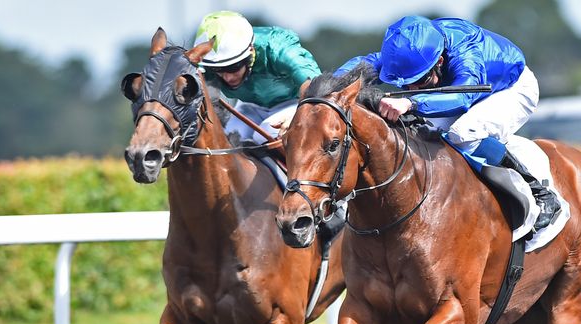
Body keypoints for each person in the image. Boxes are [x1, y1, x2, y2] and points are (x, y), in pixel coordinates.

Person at [335, 16, 561, 229]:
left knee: (463, 132)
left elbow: (462, 99)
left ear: (440, 61)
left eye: (420, 80)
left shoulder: (465, 53)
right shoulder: (410, 53)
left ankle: (538, 190)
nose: (412, 88)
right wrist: (328, 89)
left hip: (509, 89)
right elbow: (361, 64)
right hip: (462, 91)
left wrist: (411, 102)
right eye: (406, 84)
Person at [194, 11, 320, 142]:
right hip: (250, 106)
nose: (228, 77)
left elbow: (315, 85)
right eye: (218, 70)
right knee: (228, 138)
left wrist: (300, 116)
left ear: (251, 52)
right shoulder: (208, 64)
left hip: (293, 103)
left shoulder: (277, 49)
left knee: (264, 134)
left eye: (233, 67)